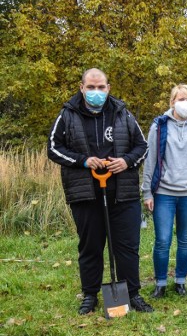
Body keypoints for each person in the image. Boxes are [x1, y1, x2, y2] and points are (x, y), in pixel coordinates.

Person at [47, 68, 153, 314]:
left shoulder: (122, 113)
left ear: (108, 88)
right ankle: (90, 295)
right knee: (90, 246)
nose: (96, 92)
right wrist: (84, 161)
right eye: (91, 87)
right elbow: (53, 148)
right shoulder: (67, 115)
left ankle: (133, 294)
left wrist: (127, 161)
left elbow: (142, 146)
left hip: (122, 193)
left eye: (101, 87)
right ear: (82, 87)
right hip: (85, 193)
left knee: (127, 247)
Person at [142, 84, 187, 298]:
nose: (185, 103)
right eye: (181, 99)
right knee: (162, 240)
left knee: (185, 239)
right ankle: (160, 283)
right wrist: (147, 192)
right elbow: (150, 160)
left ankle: (180, 281)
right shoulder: (159, 126)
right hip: (163, 192)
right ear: (172, 102)